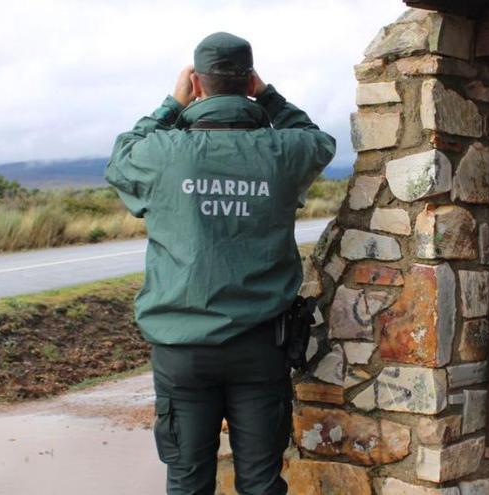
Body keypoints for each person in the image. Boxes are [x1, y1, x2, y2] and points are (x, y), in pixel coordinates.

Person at [105, 32, 336, 495]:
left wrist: (172, 105)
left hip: (182, 349)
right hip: (260, 346)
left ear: (197, 82)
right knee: (261, 481)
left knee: (188, 480)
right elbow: (319, 140)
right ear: (249, 80)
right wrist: (268, 97)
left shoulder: (162, 154)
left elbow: (121, 158)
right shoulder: (283, 152)